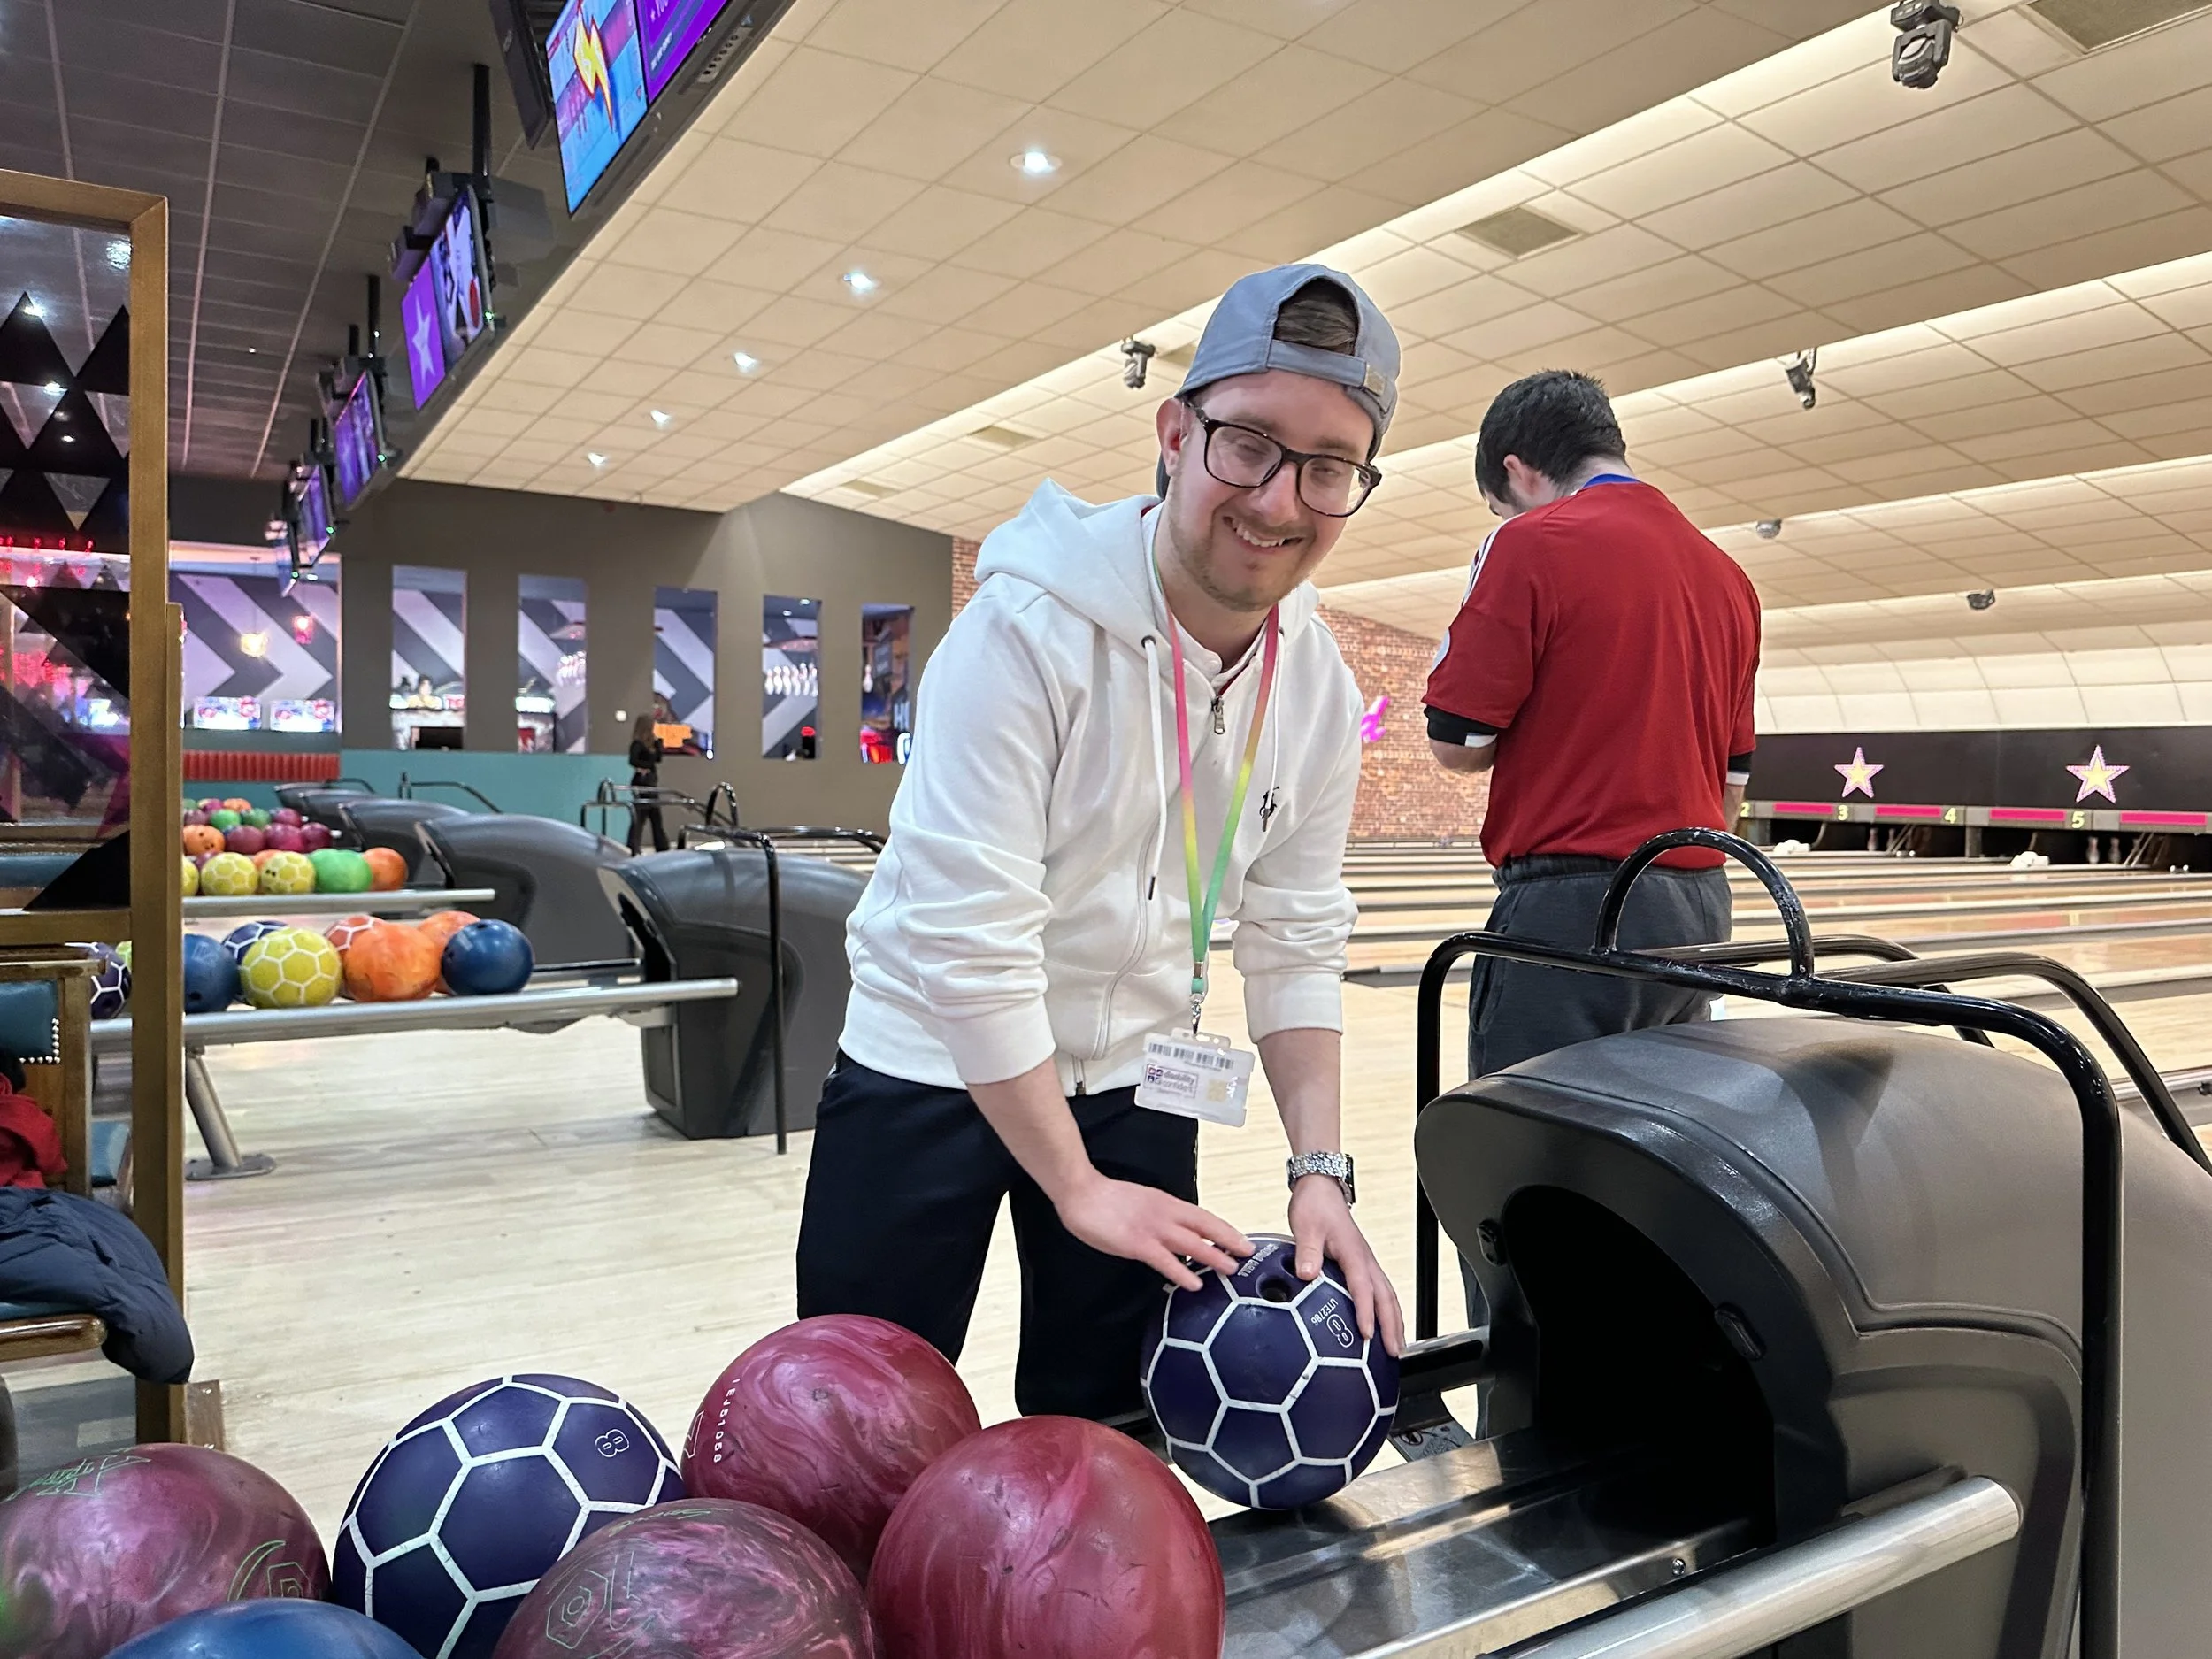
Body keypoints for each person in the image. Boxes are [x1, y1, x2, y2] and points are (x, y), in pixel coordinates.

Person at [796, 265, 1407, 1423]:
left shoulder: (1316, 684)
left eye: (1329, 466)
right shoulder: (1021, 633)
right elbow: (971, 944)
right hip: (931, 1061)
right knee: (857, 1419)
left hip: (1138, 1074)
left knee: (1104, 1431)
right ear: (1175, 433)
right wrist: (1071, 1183)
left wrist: (1318, 1173)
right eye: (1250, 445)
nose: (1280, 500)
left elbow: (1294, 934)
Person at [1422, 370, 1760, 1318]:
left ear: (1520, 473)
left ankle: (1524, 1424)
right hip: (1700, 914)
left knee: (1517, 1182)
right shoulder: (1727, 576)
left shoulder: (1529, 544)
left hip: (1568, 916)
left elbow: (1457, 740)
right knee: (1658, 1179)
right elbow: (1733, 783)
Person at [626, 711, 668, 855]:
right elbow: (633, 761)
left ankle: (661, 846)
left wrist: (658, 746)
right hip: (641, 782)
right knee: (640, 816)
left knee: (654, 816)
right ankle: (633, 845)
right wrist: (644, 766)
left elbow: (658, 759)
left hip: (651, 782)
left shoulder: (652, 743)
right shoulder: (637, 744)